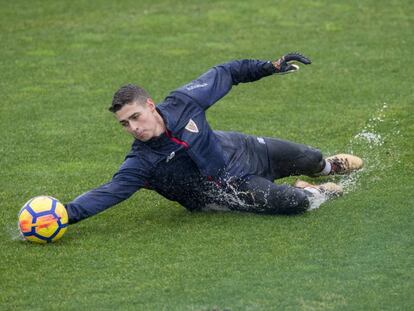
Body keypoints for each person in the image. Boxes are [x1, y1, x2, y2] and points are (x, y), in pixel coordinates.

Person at [65, 52, 363, 224]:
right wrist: (65, 214)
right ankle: (315, 191)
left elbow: (226, 72)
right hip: (230, 188)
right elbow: (108, 193)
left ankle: (326, 168)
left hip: (242, 149)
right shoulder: (142, 163)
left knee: (311, 157)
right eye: (125, 124)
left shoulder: (184, 102)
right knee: (296, 203)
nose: (134, 128)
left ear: (151, 106)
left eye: (135, 117)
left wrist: (269, 67)